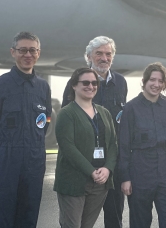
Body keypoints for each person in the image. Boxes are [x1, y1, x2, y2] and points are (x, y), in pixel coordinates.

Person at [0, 31, 52, 228]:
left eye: (32, 50)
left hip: (34, 160)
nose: (27, 55)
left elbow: (45, 121)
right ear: (13, 52)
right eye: (22, 50)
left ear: (38, 53)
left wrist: (33, 150)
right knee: (1, 216)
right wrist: (0, 159)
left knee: (29, 216)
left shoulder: (43, 88)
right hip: (6, 160)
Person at [62, 36, 127, 228]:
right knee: (77, 219)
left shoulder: (121, 83)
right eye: (99, 53)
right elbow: (68, 119)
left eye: (108, 54)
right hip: (84, 160)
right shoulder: (76, 81)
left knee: (115, 215)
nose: (104, 58)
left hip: (111, 161)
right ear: (88, 56)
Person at [119, 62, 166, 228]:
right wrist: (125, 178)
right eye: (152, 80)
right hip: (140, 171)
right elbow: (123, 145)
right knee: (140, 222)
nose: (156, 84)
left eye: (160, 81)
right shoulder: (131, 108)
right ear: (144, 81)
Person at [54, 67, 118, 228]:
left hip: (99, 183)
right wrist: (91, 171)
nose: (91, 86)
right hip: (73, 181)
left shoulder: (104, 113)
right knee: (72, 225)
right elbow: (68, 147)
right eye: (86, 82)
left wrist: (108, 169)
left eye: (94, 83)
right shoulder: (66, 114)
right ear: (74, 85)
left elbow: (113, 144)